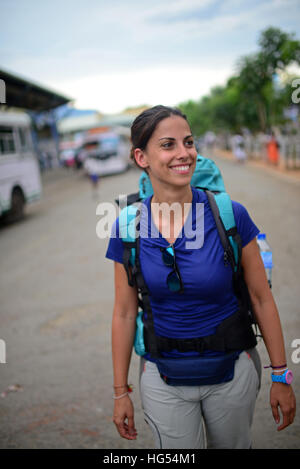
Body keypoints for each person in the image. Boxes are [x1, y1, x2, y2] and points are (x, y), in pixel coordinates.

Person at [105, 105, 296, 449]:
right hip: (162, 378)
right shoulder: (127, 227)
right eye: (168, 145)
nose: (184, 154)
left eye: (188, 142)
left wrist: (282, 375)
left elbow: (260, 297)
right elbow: (122, 312)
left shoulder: (229, 214)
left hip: (233, 372)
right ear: (141, 157)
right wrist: (120, 392)